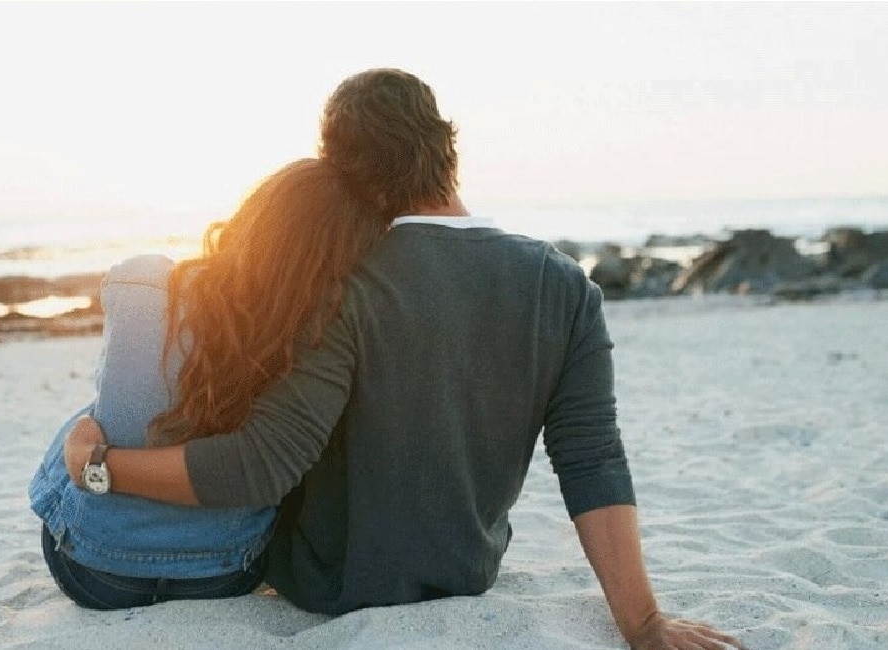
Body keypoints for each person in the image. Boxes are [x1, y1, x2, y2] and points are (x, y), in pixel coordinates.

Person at [63, 69, 743, 649]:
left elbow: (261, 463)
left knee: (94, 415)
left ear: (342, 172)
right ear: (446, 146)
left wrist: (99, 467)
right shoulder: (565, 287)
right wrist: (644, 620)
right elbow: (591, 460)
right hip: (467, 571)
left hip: (329, 582)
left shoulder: (344, 286)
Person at [29, 157, 387, 609]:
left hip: (95, 573)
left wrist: (92, 457)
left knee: (89, 418)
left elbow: (120, 406)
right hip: (224, 575)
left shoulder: (143, 279)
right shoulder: (314, 333)